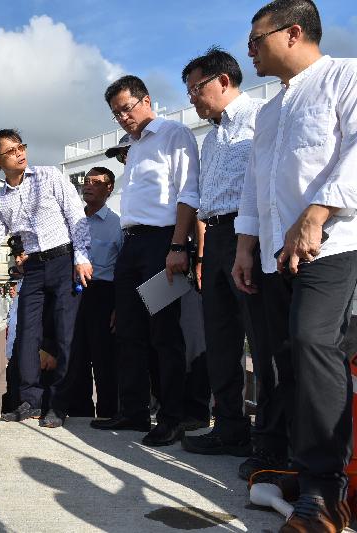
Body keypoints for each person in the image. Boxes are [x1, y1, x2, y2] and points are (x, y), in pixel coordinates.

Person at [232, 1, 357, 530]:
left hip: (333, 243)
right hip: (271, 256)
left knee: (314, 344)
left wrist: (320, 209)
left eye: (256, 40)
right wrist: (244, 245)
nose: (251, 52)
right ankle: (299, 468)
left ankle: (327, 492)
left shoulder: (345, 76)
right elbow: (256, 183)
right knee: (281, 358)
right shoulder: (268, 111)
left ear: (294, 32)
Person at [0, 129, 92, 428]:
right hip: (35, 266)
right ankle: (29, 401)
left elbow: (75, 213)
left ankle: (58, 404)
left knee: (66, 336)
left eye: (21, 146)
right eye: (10, 151)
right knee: (26, 335)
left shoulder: (49, 176)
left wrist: (82, 256)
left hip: (64, 259)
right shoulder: (1, 202)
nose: (20, 153)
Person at [177, 47, 281, 467]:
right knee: (221, 340)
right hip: (216, 238)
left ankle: (270, 438)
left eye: (196, 88)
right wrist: (200, 252)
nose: (193, 99)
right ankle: (230, 427)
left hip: (250, 235)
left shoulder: (261, 117)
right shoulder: (212, 137)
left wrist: (250, 241)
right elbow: (203, 198)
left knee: (261, 338)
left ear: (224, 80)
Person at [90, 75, 200, 448]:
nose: (122, 117)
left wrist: (178, 246)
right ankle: (133, 410)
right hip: (131, 245)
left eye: (126, 108)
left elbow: (188, 193)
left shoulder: (173, 134)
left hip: (162, 243)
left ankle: (171, 418)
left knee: (164, 334)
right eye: (116, 113)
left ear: (145, 100)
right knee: (130, 332)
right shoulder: (132, 148)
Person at [67, 167, 122, 418]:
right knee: (75, 355)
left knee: (105, 358)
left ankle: (109, 413)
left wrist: (118, 307)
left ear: (109, 188)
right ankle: (79, 412)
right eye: (86, 182)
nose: (88, 186)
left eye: (96, 183)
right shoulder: (73, 220)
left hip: (104, 293)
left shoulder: (117, 225)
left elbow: (124, 269)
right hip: (75, 292)